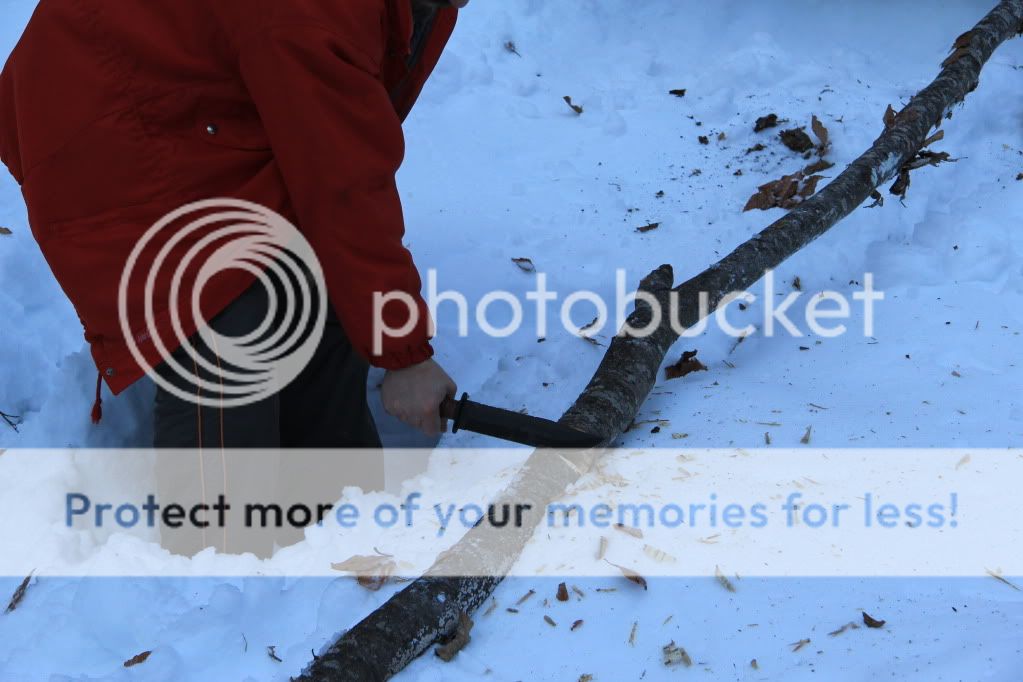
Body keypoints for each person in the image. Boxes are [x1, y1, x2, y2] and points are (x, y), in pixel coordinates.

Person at [0, 0, 468, 555]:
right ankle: (216, 557)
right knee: (230, 317)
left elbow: (340, 147)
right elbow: (341, 178)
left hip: (207, 99)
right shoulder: (314, 12)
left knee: (322, 278)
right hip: (111, 112)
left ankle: (336, 524)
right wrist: (404, 354)